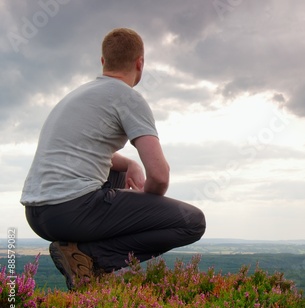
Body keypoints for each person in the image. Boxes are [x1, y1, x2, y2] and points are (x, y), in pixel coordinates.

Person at [20, 28, 206, 290]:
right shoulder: (127, 97)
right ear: (140, 63)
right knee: (192, 222)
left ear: (103, 61)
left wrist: (130, 164)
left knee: (117, 173)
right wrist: (148, 198)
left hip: (38, 214)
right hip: (73, 210)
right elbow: (160, 176)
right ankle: (91, 258)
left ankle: (80, 252)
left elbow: (84, 150)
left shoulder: (77, 95)